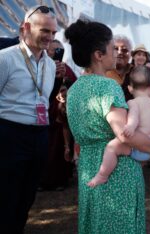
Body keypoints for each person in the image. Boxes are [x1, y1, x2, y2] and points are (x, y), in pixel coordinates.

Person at [65, 19, 150, 234]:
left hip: (88, 166)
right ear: (98, 55)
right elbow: (124, 135)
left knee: (95, 224)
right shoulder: (108, 85)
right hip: (117, 171)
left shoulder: (74, 90)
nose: (115, 54)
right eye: (111, 48)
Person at [0, 5, 57, 233]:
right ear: (25, 28)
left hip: (39, 136)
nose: (50, 38)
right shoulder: (5, 59)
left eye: (53, 33)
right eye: (45, 31)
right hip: (9, 136)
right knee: (5, 198)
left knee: (26, 198)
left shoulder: (51, 65)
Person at [88, 65, 150, 187]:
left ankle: (102, 175)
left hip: (138, 145)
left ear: (130, 89)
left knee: (111, 147)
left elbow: (134, 116)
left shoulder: (132, 102)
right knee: (139, 165)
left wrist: (131, 126)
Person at [38, 39, 77, 191]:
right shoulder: (39, 65)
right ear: (47, 51)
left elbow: (74, 85)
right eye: (54, 50)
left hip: (61, 117)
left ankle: (60, 179)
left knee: (60, 147)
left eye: (59, 50)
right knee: (44, 147)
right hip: (43, 113)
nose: (56, 53)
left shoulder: (65, 68)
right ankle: (41, 180)